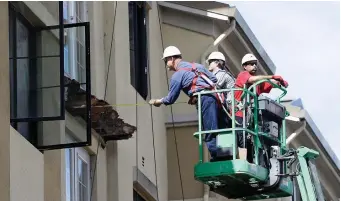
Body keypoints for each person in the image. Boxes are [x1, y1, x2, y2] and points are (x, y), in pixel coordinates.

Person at [149, 46, 221, 161]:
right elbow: (214, 79)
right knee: (217, 126)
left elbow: (170, 99)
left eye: (166, 60)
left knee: (209, 129)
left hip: (204, 100)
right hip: (215, 98)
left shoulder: (178, 75)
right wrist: (196, 92)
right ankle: (224, 153)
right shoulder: (197, 66)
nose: (166, 64)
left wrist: (158, 101)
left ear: (172, 58)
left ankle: (217, 157)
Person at [233, 53, 289, 162]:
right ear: (245, 66)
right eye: (251, 64)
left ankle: (253, 160)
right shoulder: (243, 75)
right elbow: (252, 79)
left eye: (255, 64)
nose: (255, 66)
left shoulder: (257, 83)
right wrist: (271, 76)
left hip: (250, 116)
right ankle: (243, 161)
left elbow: (267, 83)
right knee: (242, 137)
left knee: (252, 139)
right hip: (239, 114)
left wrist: (278, 81)